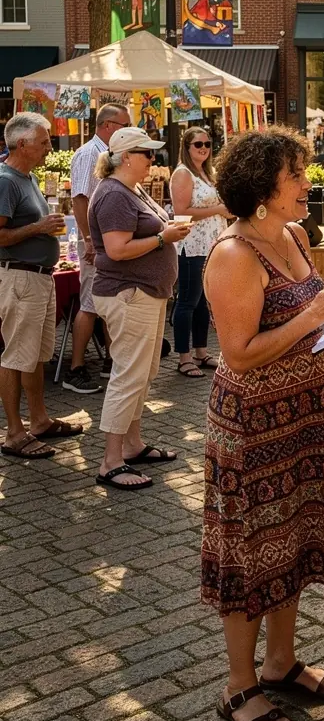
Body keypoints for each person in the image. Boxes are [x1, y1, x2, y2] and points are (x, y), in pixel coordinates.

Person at [202, 127, 324, 721]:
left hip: (306, 415)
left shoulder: (296, 236)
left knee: (293, 540)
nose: (308, 184)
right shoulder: (233, 256)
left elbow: (307, 320)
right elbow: (239, 354)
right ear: (262, 190)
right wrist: (313, 316)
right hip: (255, 426)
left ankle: (280, 662)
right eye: (296, 176)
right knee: (252, 551)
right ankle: (239, 686)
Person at [89, 127, 192, 490]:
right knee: (128, 376)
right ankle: (110, 462)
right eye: (147, 153)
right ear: (126, 157)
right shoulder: (115, 194)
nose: (153, 159)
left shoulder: (131, 189)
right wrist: (164, 237)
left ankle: (131, 446)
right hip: (129, 293)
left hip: (144, 292)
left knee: (142, 373)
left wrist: (165, 233)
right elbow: (116, 250)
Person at [0, 113, 80, 460]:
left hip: (37, 277)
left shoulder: (24, 177)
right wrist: (38, 229)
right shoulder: (5, 180)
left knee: (32, 355)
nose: (50, 147)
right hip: (19, 277)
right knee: (17, 355)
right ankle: (14, 433)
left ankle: (39, 420)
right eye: (45, 141)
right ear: (23, 144)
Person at [63, 103, 130, 395]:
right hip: (95, 242)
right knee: (90, 304)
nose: (128, 131)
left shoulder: (109, 155)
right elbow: (80, 200)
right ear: (108, 126)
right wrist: (89, 240)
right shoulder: (89, 153)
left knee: (106, 302)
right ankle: (76, 369)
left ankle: (110, 361)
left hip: (105, 242)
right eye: (125, 126)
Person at [170, 127, 230, 378]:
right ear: (187, 146)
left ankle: (201, 352)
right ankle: (184, 357)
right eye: (198, 144)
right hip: (192, 244)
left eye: (207, 143)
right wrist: (217, 209)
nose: (204, 148)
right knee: (187, 301)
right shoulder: (183, 174)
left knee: (205, 301)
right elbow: (181, 211)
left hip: (211, 244)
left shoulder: (207, 173)